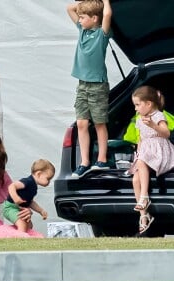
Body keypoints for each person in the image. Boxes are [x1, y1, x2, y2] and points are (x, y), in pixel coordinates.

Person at [67, 0, 112, 178]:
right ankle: (84, 162)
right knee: (81, 123)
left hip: (97, 85)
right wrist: (85, 3)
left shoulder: (102, 34)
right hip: (82, 84)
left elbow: (107, 14)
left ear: (94, 18)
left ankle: (102, 160)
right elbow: (69, 8)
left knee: (99, 122)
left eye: (83, 17)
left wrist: (105, 1)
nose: (79, 20)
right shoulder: (82, 31)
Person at [130, 86, 174, 234]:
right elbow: (140, 139)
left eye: (138, 105)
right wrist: (138, 153)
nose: (136, 109)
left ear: (149, 104)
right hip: (146, 153)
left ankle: (145, 197)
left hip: (160, 151)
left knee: (141, 161)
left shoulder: (159, 116)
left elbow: (166, 134)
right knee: (135, 180)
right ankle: (144, 216)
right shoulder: (139, 120)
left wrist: (152, 125)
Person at [3, 159, 55, 232]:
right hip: (10, 208)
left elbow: (30, 202)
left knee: (29, 225)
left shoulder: (33, 187)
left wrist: (41, 211)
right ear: (39, 174)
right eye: (48, 179)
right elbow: (11, 186)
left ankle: (21, 236)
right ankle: (20, 239)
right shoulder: (27, 182)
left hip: (19, 209)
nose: (49, 182)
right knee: (22, 224)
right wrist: (16, 198)